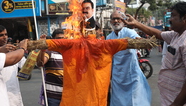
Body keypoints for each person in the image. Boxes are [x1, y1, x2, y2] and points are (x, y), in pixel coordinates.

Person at [27, 30, 157, 106]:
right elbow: (40, 61)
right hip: (63, 96)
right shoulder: (68, 47)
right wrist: (35, 47)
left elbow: (130, 42)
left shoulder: (105, 46)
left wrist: (143, 42)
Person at [121, 2, 186, 106]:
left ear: (184, 18)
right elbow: (157, 34)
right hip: (169, 97)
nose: (170, 19)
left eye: (174, 16)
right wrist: (136, 23)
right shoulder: (176, 35)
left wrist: (176, 104)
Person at [106, 10, 151, 106]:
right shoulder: (109, 38)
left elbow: (138, 40)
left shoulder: (130, 32)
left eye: (118, 18)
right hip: (117, 77)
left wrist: (141, 41)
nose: (116, 21)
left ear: (123, 21)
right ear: (110, 22)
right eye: (114, 19)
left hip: (132, 76)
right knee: (118, 102)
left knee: (135, 101)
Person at [0, 28, 28, 106]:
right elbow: (11, 59)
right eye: (1, 35)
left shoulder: (14, 51)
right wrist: (22, 49)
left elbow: (26, 68)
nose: (5, 37)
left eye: (6, 34)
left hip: (14, 97)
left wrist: (36, 53)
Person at [37, 29, 65, 106]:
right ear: (53, 40)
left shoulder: (69, 53)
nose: (61, 41)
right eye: (59, 39)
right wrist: (42, 50)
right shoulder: (49, 52)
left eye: (63, 38)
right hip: (53, 97)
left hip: (68, 95)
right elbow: (40, 63)